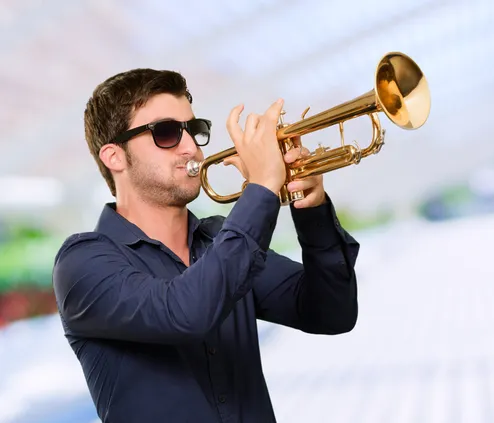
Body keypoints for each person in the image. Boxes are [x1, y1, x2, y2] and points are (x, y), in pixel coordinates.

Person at [52, 68, 360, 423]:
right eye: (166, 133)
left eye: (194, 131)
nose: (191, 147)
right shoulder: (83, 262)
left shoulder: (220, 239)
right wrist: (261, 188)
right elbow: (185, 312)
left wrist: (311, 207)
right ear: (114, 157)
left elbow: (332, 312)